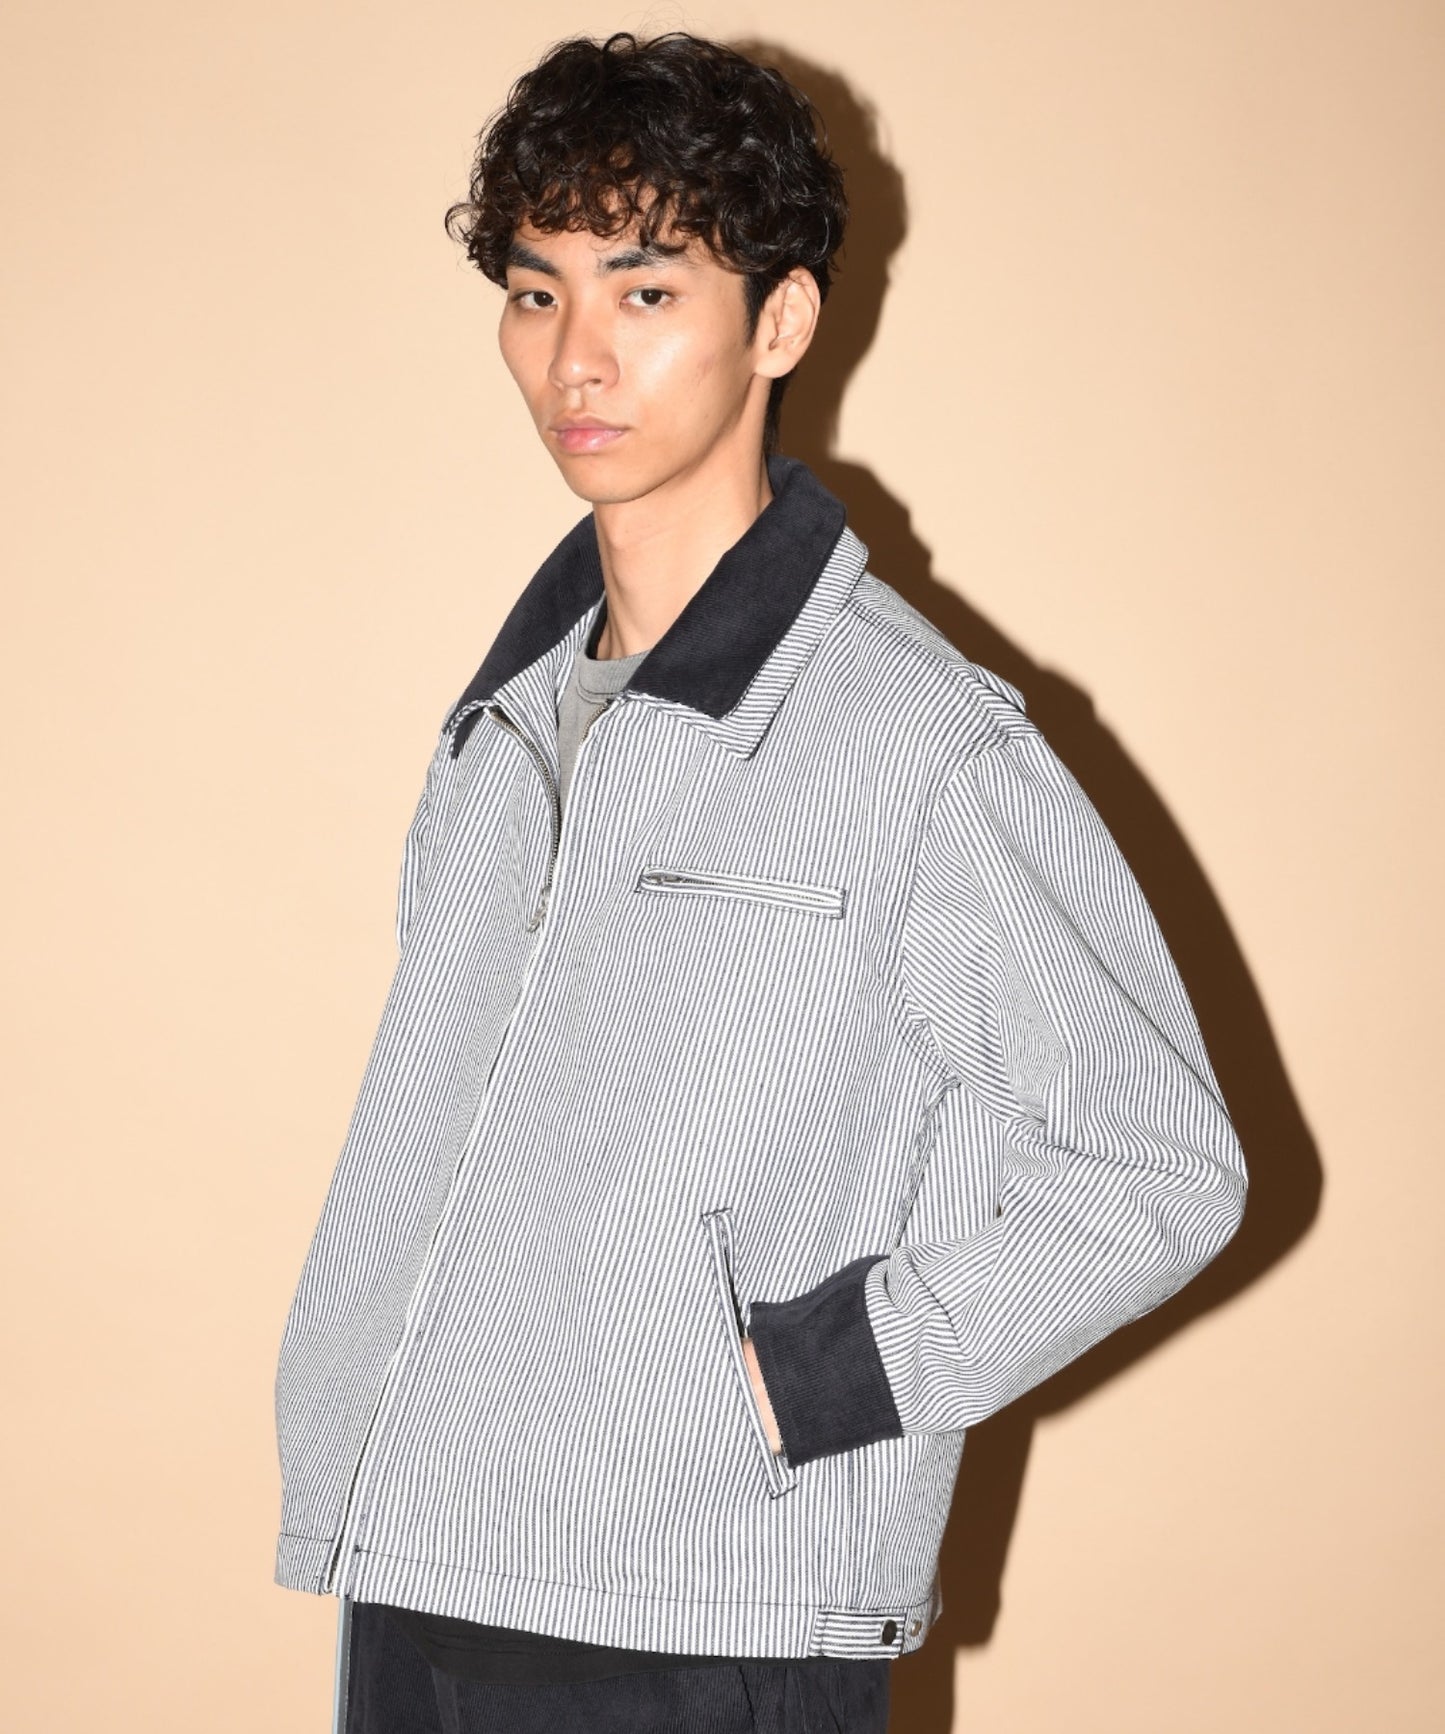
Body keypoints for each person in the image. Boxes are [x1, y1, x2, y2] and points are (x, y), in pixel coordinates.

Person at [271, 27, 1248, 1734]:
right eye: (535, 291)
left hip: (701, 1607)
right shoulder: (503, 728)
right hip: (417, 1558)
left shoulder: (919, 745)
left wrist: (802, 1380)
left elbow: (1160, 1166)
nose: (575, 355)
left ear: (777, 322)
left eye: (644, 292)